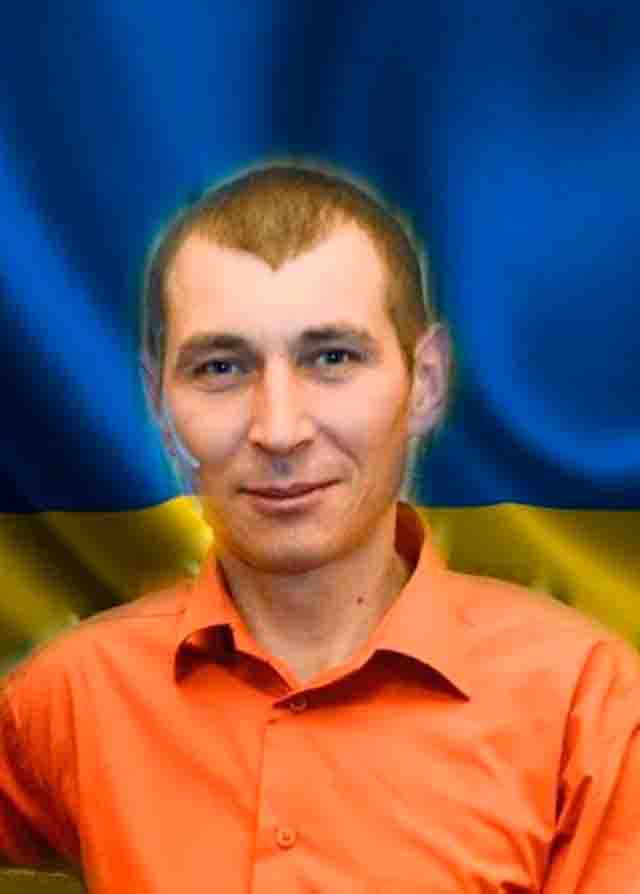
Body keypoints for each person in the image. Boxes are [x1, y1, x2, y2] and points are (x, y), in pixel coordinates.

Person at [1, 160, 639, 893]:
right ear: (158, 402)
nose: (279, 429)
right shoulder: (73, 694)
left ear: (426, 383)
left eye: (332, 357)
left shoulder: (584, 701)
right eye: (220, 368)